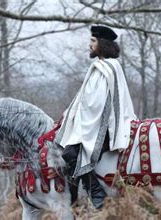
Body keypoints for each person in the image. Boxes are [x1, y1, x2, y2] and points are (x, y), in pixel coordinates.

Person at [54, 25, 137, 209]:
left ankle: (97, 195)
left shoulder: (110, 67)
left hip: (105, 126)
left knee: (70, 154)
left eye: (92, 41)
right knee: (62, 148)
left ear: (102, 43)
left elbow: (103, 103)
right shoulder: (98, 66)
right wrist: (71, 115)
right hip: (92, 123)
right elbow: (85, 99)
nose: (89, 45)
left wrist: (83, 119)